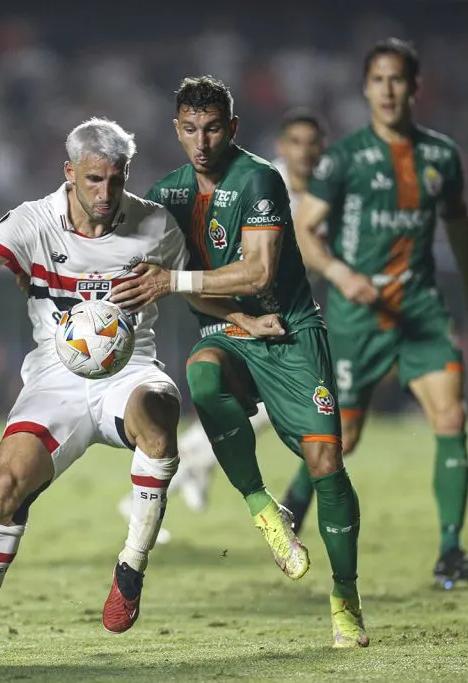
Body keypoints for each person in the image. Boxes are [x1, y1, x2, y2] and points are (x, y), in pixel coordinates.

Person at [0, 118, 274, 653]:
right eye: (93, 180)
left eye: (116, 180)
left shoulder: (156, 226)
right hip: (55, 379)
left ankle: (131, 567)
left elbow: (192, 291)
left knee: (157, 419)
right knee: (8, 485)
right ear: (70, 173)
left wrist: (245, 321)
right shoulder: (35, 222)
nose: (106, 193)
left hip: (130, 370)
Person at [109, 76, 368, 648]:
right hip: (231, 329)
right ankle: (262, 507)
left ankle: (345, 599)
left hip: (292, 331)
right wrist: (238, 319)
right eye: (190, 129)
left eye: (214, 127)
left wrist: (174, 281)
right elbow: (172, 279)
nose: (202, 141)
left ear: (233, 128)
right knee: (200, 375)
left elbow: (258, 273)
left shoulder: (259, 179)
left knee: (326, 461)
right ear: (176, 130)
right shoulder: (168, 195)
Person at [287, 38, 468, 589]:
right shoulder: (344, 158)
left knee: (452, 419)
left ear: (414, 87)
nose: (387, 89)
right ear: (365, 88)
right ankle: (289, 510)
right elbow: (305, 229)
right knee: (341, 440)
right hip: (360, 319)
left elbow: (458, 225)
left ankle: (450, 550)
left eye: (397, 79)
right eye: (377, 79)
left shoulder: (440, 157)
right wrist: (338, 274)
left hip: (421, 312)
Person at [118, 107, 329, 543]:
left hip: (286, 310)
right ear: (282, 150)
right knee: (262, 400)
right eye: (296, 144)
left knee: (277, 409)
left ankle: (194, 468)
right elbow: (269, 259)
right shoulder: (264, 183)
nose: (305, 153)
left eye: (313, 145)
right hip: (234, 305)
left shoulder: (327, 191)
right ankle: (175, 479)